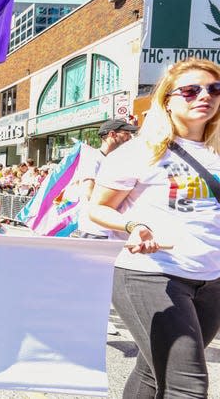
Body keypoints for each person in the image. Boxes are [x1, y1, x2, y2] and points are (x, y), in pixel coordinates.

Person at [90, 58, 220, 398]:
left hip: (211, 279)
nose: (203, 96)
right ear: (166, 100)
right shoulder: (139, 152)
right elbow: (97, 207)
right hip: (151, 274)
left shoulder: (217, 152)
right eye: (190, 91)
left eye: (214, 89)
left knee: (151, 372)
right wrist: (133, 225)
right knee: (187, 386)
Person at [72, 118, 138, 240]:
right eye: (126, 134)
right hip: (96, 230)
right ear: (112, 134)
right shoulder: (93, 158)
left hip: (114, 229)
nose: (130, 138)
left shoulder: (119, 160)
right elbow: (88, 190)